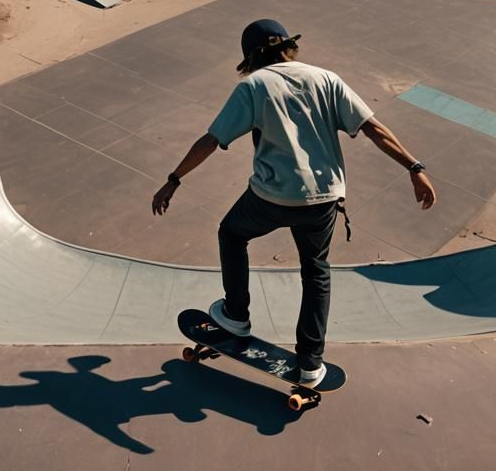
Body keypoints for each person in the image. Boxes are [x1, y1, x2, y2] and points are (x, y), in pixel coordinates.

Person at [151, 19, 437, 387]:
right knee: (316, 272)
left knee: (232, 234)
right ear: (288, 47)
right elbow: (372, 127)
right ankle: (310, 363)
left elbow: (212, 140)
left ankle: (236, 313)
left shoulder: (253, 86)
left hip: (271, 197)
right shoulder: (326, 78)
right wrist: (414, 167)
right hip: (322, 200)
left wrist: (174, 179)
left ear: (251, 58)